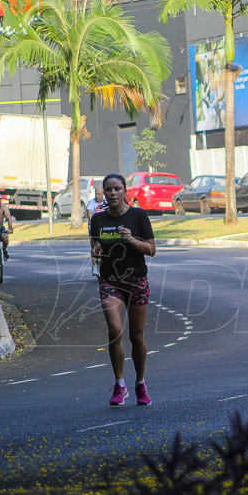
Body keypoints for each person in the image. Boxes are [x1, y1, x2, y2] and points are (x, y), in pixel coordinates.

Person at [89, 173, 157, 406]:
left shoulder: (138, 216)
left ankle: (140, 383)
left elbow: (151, 249)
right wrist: (96, 253)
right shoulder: (98, 219)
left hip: (136, 279)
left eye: (117, 188)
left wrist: (132, 242)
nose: (113, 193)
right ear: (104, 193)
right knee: (115, 329)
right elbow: (95, 246)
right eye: (108, 190)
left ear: (125, 191)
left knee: (136, 336)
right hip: (110, 280)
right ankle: (119, 384)